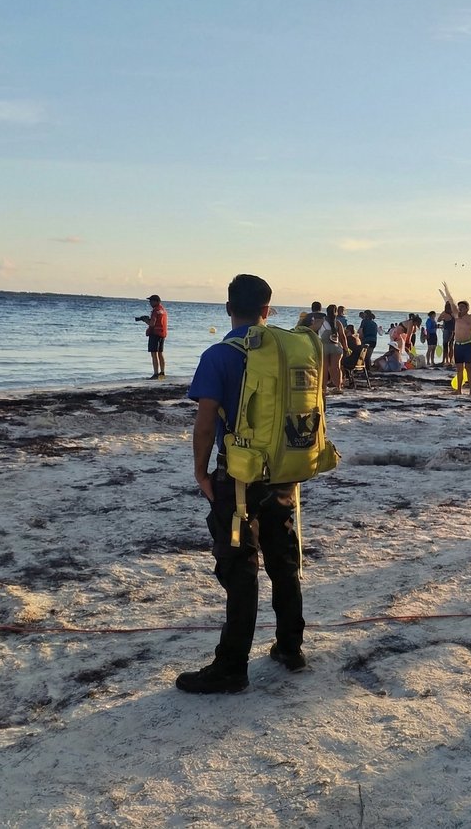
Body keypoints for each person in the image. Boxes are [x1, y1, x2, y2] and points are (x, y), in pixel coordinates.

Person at [177, 274, 307, 694]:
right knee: (283, 559)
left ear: (228, 307)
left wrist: (200, 471)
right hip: (284, 471)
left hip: (238, 475)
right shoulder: (287, 352)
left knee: (240, 565)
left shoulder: (219, 354)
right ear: (267, 310)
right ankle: (290, 647)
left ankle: (232, 666)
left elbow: (204, 422)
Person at [136, 294, 168, 379]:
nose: (150, 303)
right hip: (162, 334)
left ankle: (155, 374)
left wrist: (146, 320)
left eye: (151, 301)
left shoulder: (155, 310)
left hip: (154, 334)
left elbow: (152, 324)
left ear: (156, 301)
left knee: (154, 354)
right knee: (160, 353)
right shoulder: (163, 310)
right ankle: (162, 373)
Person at [321, 304, 349, 393]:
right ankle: (338, 387)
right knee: (336, 368)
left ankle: (323, 388)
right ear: (336, 312)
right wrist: (346, 348)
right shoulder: (338, 323)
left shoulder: (321, 322)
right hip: (336, 347)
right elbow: (343, 337)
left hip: (324, 347)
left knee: (324, 368)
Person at [438, 302, 455, 367]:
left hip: (447, 330)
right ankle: (451, 360)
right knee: (451, 345)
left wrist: (443, 319)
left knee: (445, 345)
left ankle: (446, 361)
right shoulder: (453, 313)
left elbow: (438, 320)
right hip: (453, 331)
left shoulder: (444, 313)